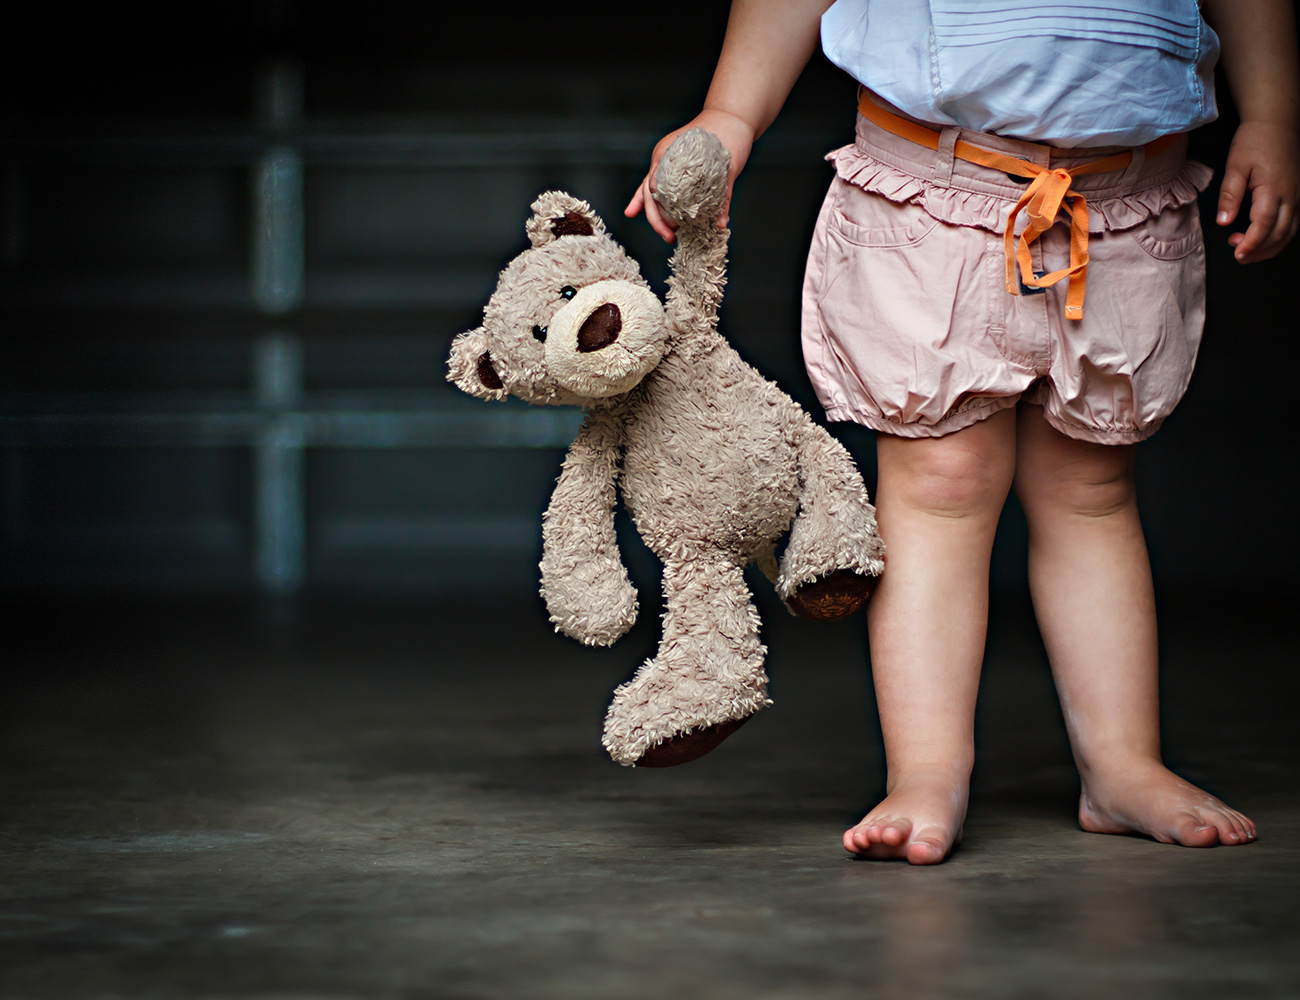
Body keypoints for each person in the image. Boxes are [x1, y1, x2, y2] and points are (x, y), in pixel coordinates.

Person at [625, 0, 1299, 864]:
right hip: (931, 200)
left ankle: (1123, 764)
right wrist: (732, 110)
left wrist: (1273, 113)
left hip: (1125, 208)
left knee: (1092, 491)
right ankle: (927, 767)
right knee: (940, 492)